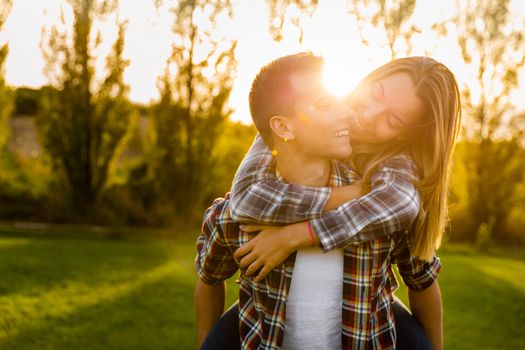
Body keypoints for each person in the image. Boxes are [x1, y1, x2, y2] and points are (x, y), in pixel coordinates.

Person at [195, 53, 461, 350]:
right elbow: (246, 198)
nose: (367, 115)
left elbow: (402, 206)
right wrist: (349, 194)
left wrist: (295, 235)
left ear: (403, 138)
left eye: (392, 120)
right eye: (375, 95)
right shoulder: (293, 120)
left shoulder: (391, 175)